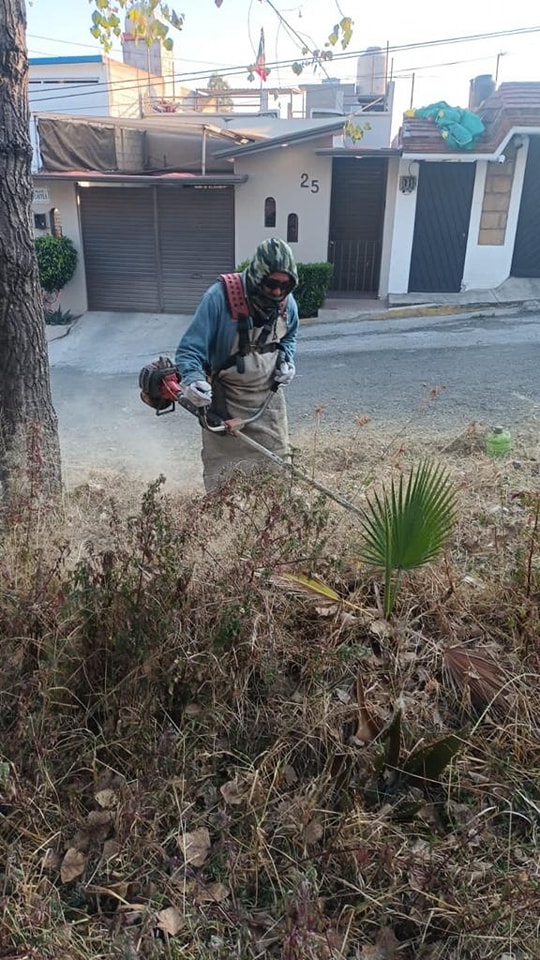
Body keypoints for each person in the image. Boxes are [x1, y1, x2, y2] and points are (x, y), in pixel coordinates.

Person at [175, 237, 299, 492]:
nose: (277, 292)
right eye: (271, 284)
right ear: (257, 275)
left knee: (278, 473)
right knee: (224, 482)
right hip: (224, 402)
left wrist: (287, 360)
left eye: (284, 286)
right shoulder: (219, 298)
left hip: (268, 403)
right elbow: (189, 350)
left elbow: (289, 337)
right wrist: (193, 379)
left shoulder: (287, 305)